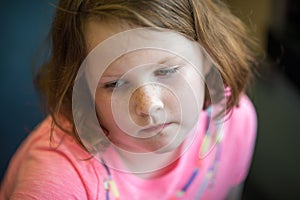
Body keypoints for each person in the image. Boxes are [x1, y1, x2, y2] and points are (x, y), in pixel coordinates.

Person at [0, 0, 258, 199]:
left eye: (167, 71)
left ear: (208, 56)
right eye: (115, 84)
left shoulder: (233, 122)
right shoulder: (55, 182)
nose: (149, 106)